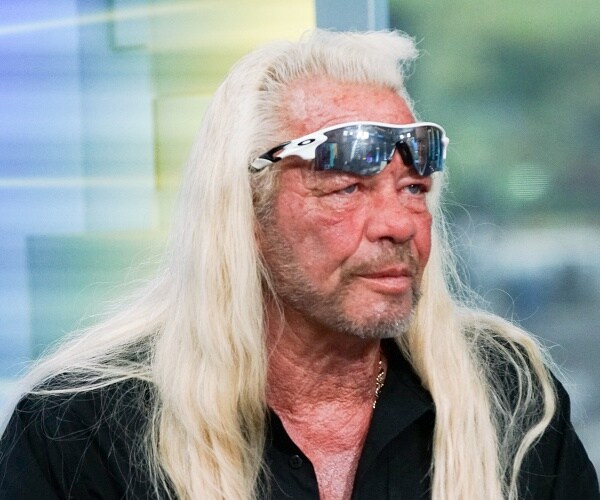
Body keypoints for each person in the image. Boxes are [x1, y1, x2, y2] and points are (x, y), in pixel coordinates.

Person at [0, 30, 598, 500]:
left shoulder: (507, 396)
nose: (399, 223)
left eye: (414, 188)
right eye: (347, 189)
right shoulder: (81, 430)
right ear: (246, 210)